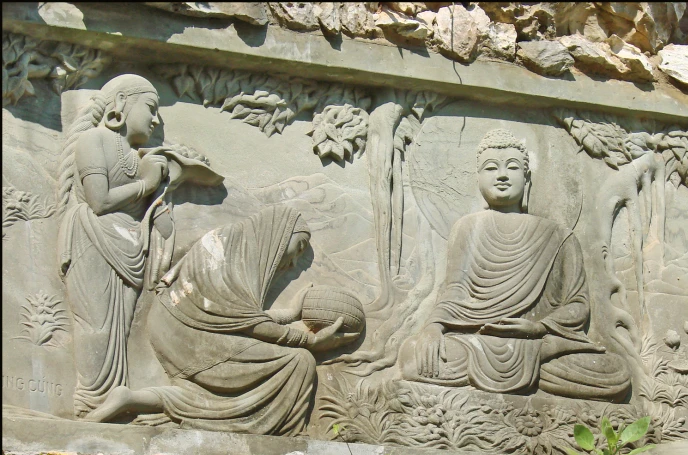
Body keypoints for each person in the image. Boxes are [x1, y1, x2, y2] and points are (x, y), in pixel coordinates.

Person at [398, 129, 631, 401]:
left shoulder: (558, 235)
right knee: (412, 355)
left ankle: (527, 367)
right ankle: (523, 375)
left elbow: (577, 305)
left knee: (617, 373)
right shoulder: (467, 227)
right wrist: (433, 328)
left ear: (527, 177)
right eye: (491, 168)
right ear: (478, 179)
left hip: (540, 346)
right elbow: (455, 291)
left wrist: (539, 328)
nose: (502, 175)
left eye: (512, 167)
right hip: (477, 342)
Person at [85, 205, 359, 435]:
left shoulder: (232, 245)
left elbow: (235, 318)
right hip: (187, 335)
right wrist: (310, 341)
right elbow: (246, 322)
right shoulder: (227, 250)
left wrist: (291, 314)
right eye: (298, 248)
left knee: (205, 396)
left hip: (183, 329)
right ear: (278, 234)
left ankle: (130, 399)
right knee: (299, 362)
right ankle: (271, 439)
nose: (294, 262)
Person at [58, 74, 173, 417]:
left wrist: (164, 187)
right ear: (121, 102)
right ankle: (88, 403)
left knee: (119, 331)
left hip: (128, 246)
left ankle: (111, 404)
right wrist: (146, 183)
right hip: (93, 236)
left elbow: (154, 217)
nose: (155, 120)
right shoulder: (94, 140)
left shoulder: (138, 156)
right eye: (151, 109)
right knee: (96, 325)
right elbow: (99, 200)